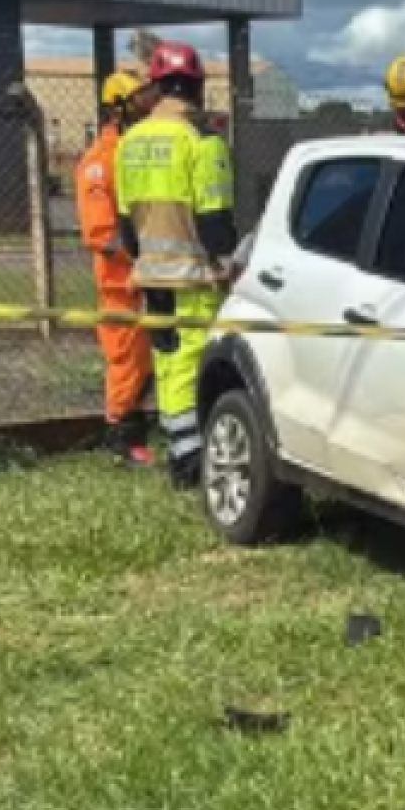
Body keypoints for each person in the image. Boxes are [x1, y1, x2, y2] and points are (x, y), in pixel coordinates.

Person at [115, 41, 240, 490]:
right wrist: (230, 266)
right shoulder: (202, 143)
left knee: (168, 368)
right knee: (197, 365)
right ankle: (192, 462)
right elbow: (214, 222)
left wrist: (147, 260)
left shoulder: (130, 142)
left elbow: (125, 224)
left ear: (157, 86)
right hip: (193, 277)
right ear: (196, 87)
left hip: (150, 275)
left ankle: (180, 453)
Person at [75, 70, 159, 467]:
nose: (149, 108)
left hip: (146, 275)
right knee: (126, 360)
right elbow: (101, 233)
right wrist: (139, 256)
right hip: (121, 284)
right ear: (119, 107)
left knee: (149, 359)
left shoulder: (135, 152)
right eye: (141, 101)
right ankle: (121, 436)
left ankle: (137, 426)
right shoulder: (99, 161)